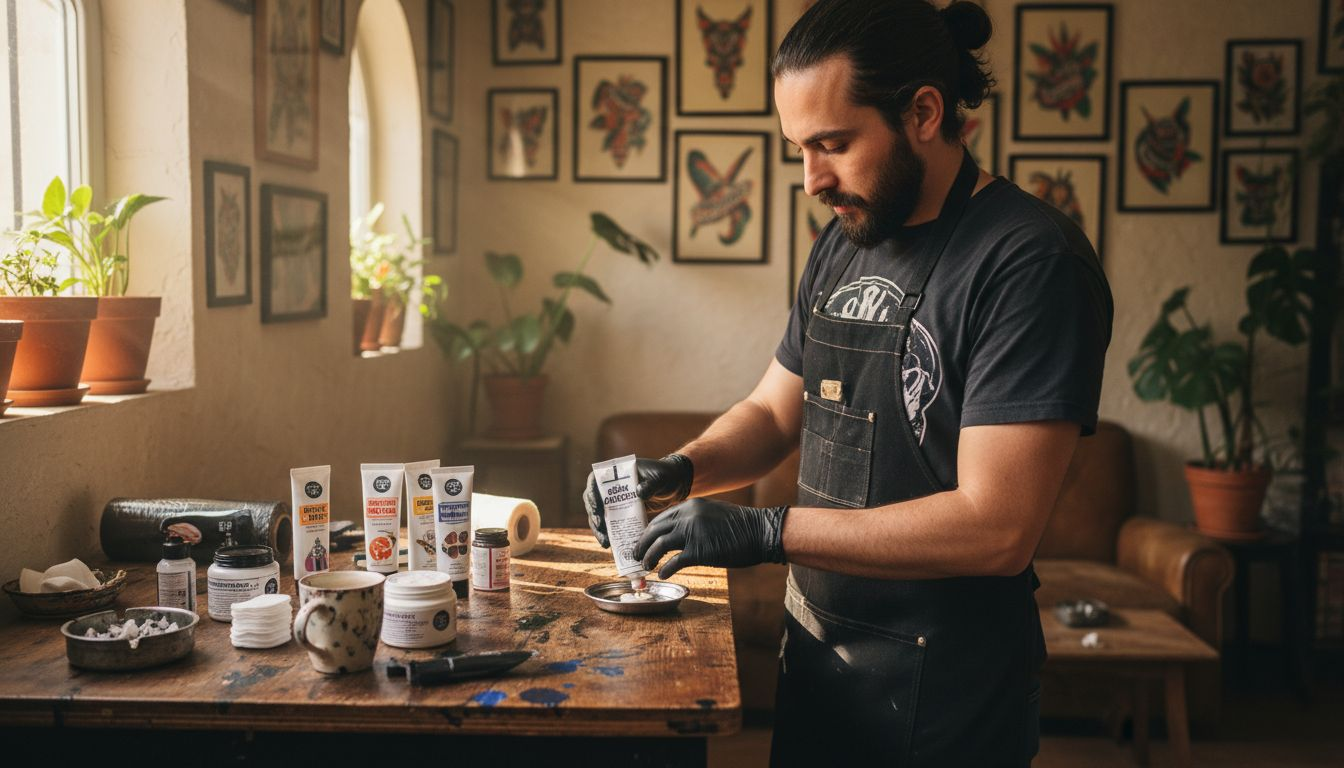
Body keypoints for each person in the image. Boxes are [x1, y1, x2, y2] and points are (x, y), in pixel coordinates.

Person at [582, 0, 1112, 764]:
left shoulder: (1029, 262)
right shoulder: (845, 241)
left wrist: (765, 531)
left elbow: (996, 527)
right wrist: (682, 468)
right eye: (800, 148)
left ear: (923, 112)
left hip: (948, 697)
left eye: (833, 144)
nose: (812, 180)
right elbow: (773, 412)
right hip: (818, 664)